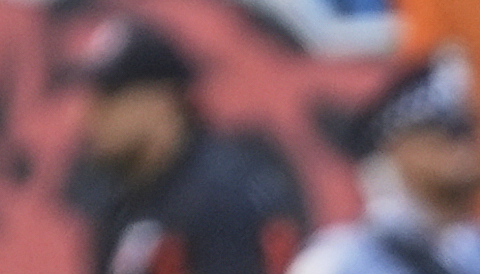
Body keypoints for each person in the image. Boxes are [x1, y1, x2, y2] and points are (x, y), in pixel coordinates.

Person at [68, 16, 308, 274]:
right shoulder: (126, 199)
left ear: (163, 101)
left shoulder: (223, 197)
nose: (93, 114)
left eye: (110, 96)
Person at [289, 51, 480, 274]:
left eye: (466, 128)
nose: (466, 147)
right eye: (447, 130)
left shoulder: (470, 254)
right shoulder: (341, 264)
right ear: (394, 147)